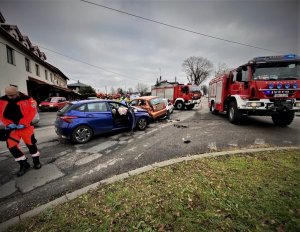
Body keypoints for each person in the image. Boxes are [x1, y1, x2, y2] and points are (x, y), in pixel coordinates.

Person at [0, 85, 41, 177]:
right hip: (12, 129)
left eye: (12, 95)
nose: (10, 97)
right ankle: (24, 164)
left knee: (31, 145)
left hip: (26, 128)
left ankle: (36, 162)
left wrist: (24, 123)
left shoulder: (28, 99)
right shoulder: (2, 100)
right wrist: (7, 124)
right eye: (8, 95)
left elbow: (32, 112)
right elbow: (1, 114)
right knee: (12, 147)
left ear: (17, 93)